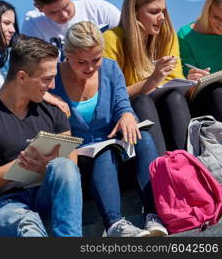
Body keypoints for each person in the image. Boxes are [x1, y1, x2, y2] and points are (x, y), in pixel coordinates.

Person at [0, 35, 82, 237]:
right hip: (6, 204)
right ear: (22, 77)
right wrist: (18, 167)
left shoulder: (54, 111)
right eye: (46, 79)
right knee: (26, 226)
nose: (52, 86)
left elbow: (71, 165)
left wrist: (45, 168)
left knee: (63, 165)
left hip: (48, 197)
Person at [51, 21, 167, 237]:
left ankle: (154, 215)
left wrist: (127, 116)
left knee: (144, 138)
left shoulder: (111, 68)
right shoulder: (53, 77)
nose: (90, 67)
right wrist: (47, 95)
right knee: (103, 153)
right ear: (67, 54)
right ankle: (114, 224)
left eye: (96, 59)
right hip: (79, 161)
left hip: (114, 153)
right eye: (81, 62)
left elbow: (122, 104)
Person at [103, 0, 195, 153]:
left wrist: (192, 83)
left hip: (165, 104)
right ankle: (159, 171)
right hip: (130, 112)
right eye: (154, 12)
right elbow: (112, 97)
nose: (162, 18)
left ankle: (188, 166)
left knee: (174, 97)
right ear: (134, 12)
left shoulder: (167, 35)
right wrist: (151, 80)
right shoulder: (112, 39)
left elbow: (175, 79)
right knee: (142, 101)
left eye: (163, 11)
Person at [22, 0, 120, 61]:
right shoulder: (33, 22)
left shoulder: (100, 10)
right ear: (39, 8)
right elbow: (33, 65)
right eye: (53, 12)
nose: (63, 15)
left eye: (66, 6)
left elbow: (131, 36)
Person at [178, 0, 222, 120]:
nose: (221, 25)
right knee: (216, 91)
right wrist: (192, 79)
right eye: (216, 17)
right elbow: (186, 86)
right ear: (207, 9)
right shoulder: (185, 35)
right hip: (205, 100)